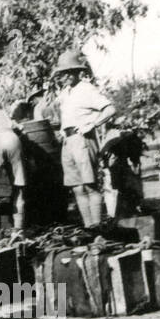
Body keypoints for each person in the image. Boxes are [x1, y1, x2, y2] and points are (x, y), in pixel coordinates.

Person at [53, 50, 117, 228]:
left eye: (68, 72)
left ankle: (97, 226)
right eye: (62, 73)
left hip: (83, 139)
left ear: (76, 72)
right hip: (68, 142)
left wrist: (93, 124)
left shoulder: (86, 89)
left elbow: (110, 109)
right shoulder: (65, 93)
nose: (65, 76)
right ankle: (88, 227)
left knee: (90, 186)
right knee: (77, 188)